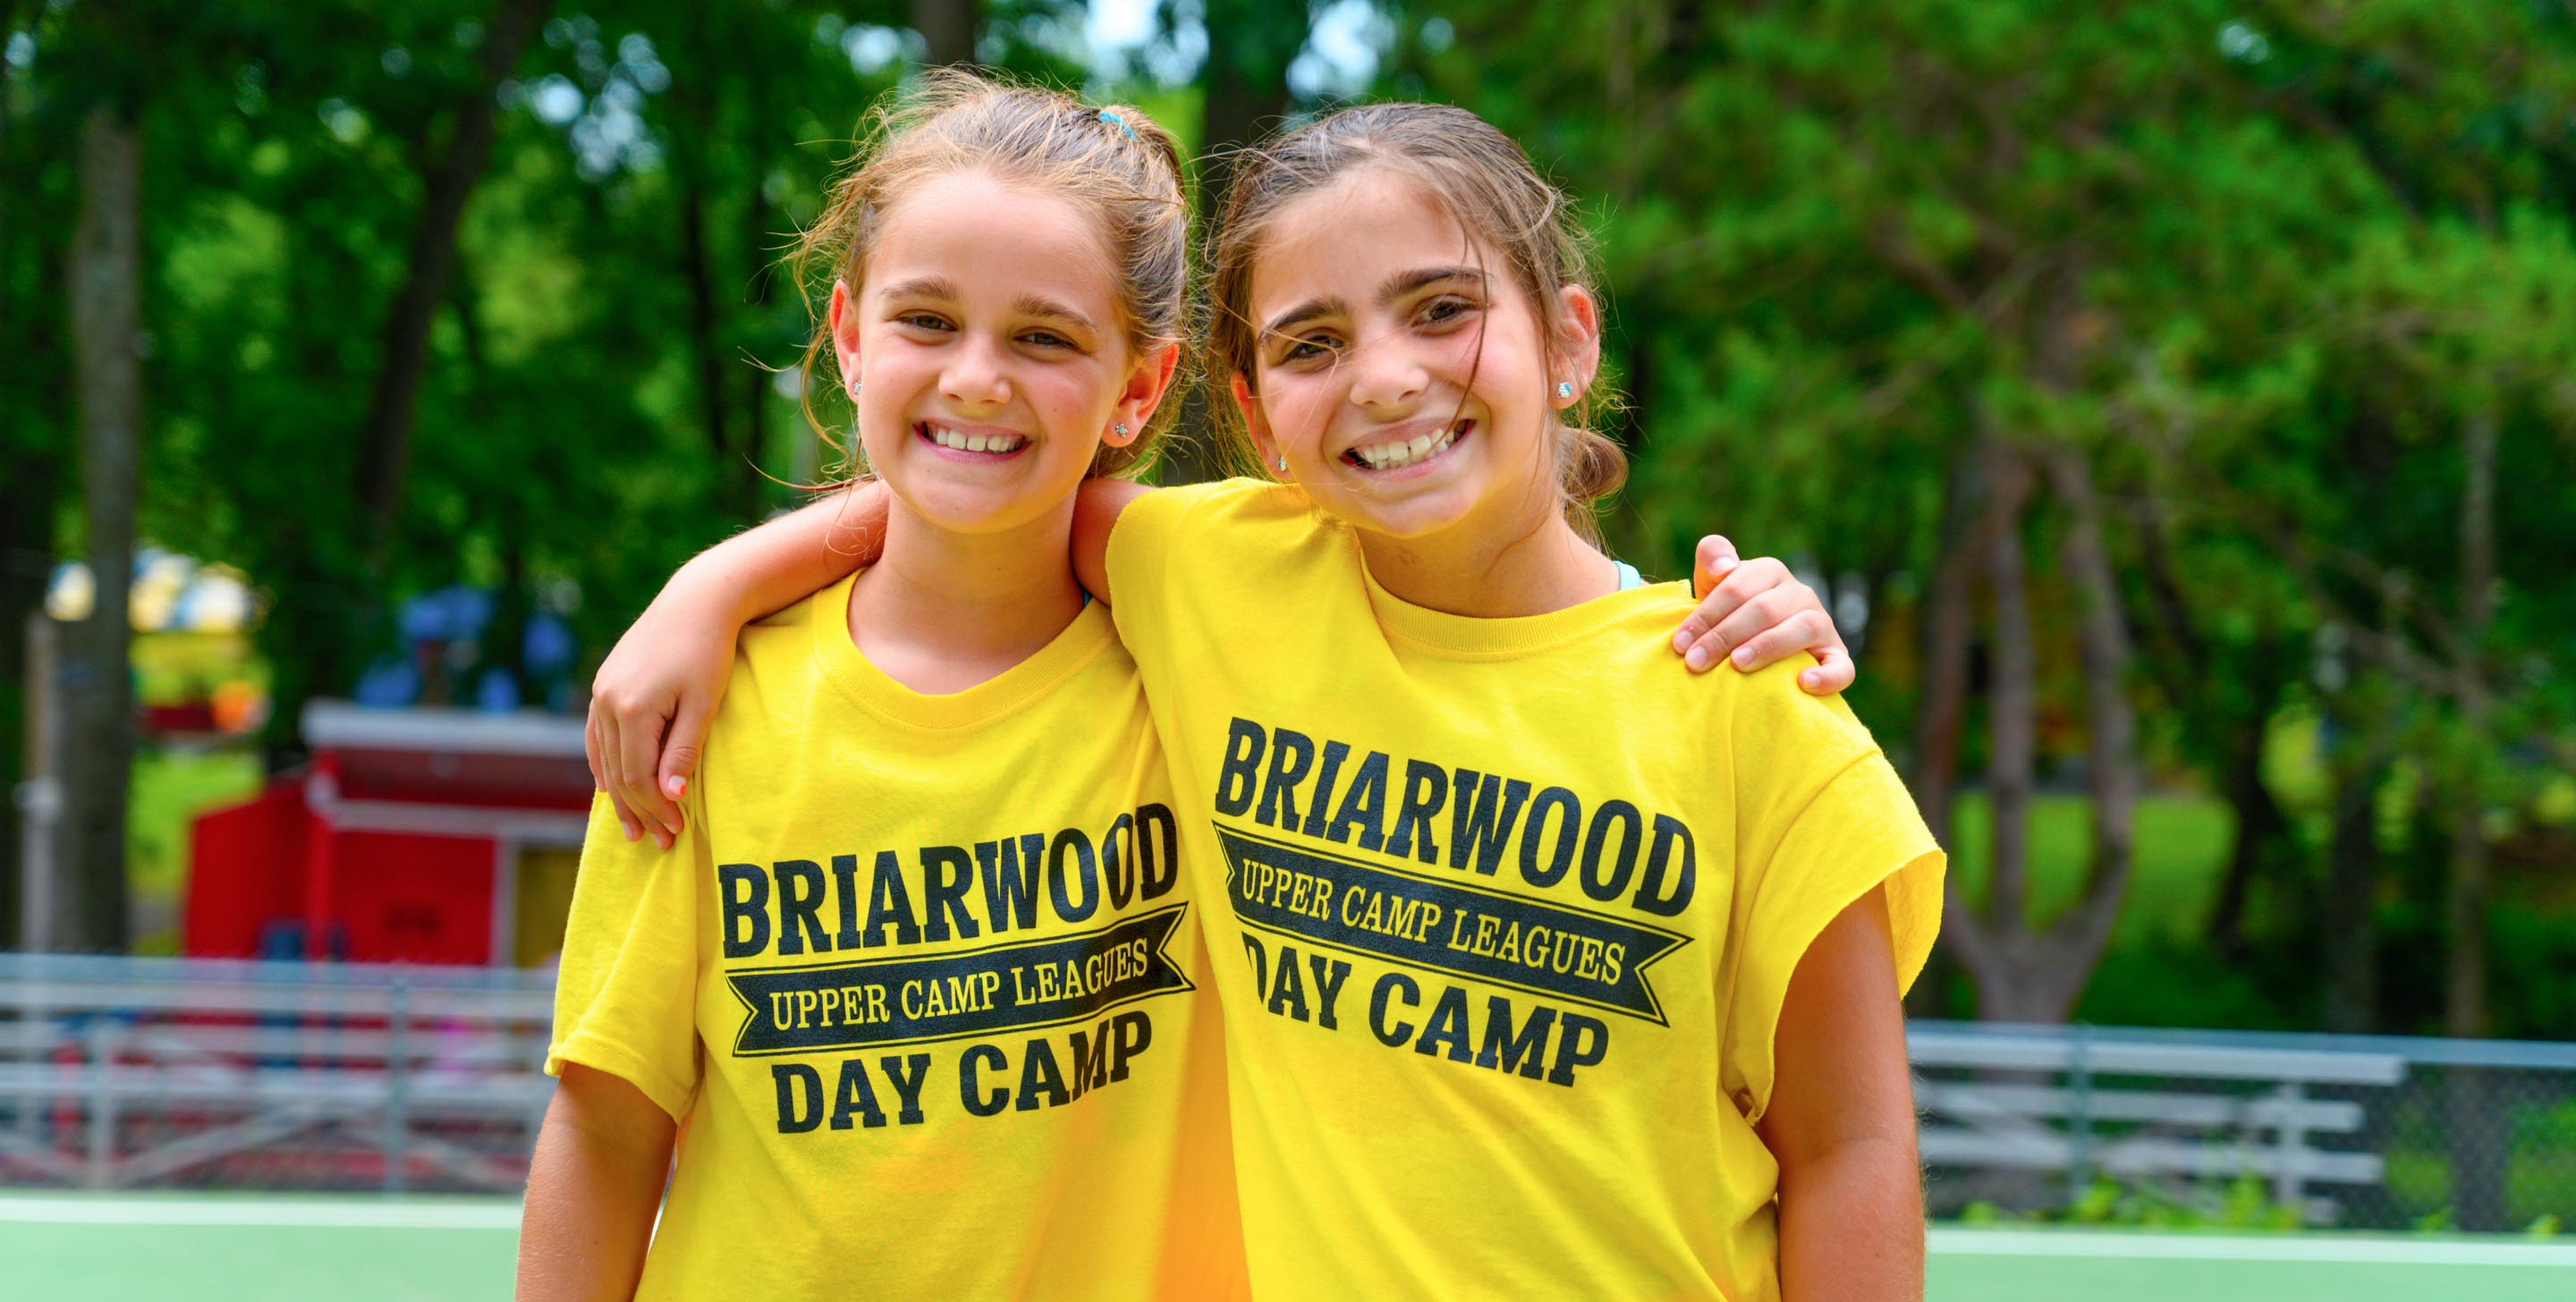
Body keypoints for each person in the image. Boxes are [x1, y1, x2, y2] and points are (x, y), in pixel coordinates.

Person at [586, 105, 1933, 1301]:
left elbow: (1853, 1146)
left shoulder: (1750, 694)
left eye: (1442, 309)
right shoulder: (1216, 576)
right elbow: (989, 478)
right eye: (1313, 341)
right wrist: (713, 586)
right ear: (1253, 410)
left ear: (1568, 335)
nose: (1387, 375)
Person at [515, 72, 1244, 1300]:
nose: (975, 378)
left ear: (1141, 386)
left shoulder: (1214, 676)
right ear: (848, 336)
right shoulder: (705, 703)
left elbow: (1479, 614)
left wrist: (1685, 604)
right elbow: (607, 1126)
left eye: (1045, 337)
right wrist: (720, 589)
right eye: (926, 321)